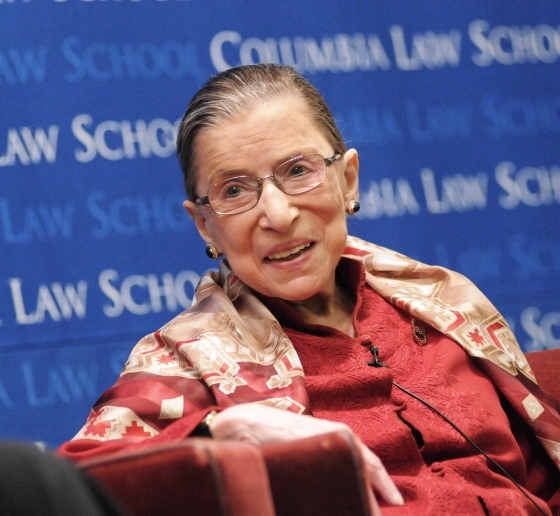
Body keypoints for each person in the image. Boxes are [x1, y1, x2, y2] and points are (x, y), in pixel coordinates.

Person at [59, 64, 560, 515]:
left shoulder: (442, 302)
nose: (277, 215)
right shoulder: (185, 359)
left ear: (348, 181)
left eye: (298, 171)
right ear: (206, 227)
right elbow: (70, 486)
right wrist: (218, 431)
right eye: (234, 190)